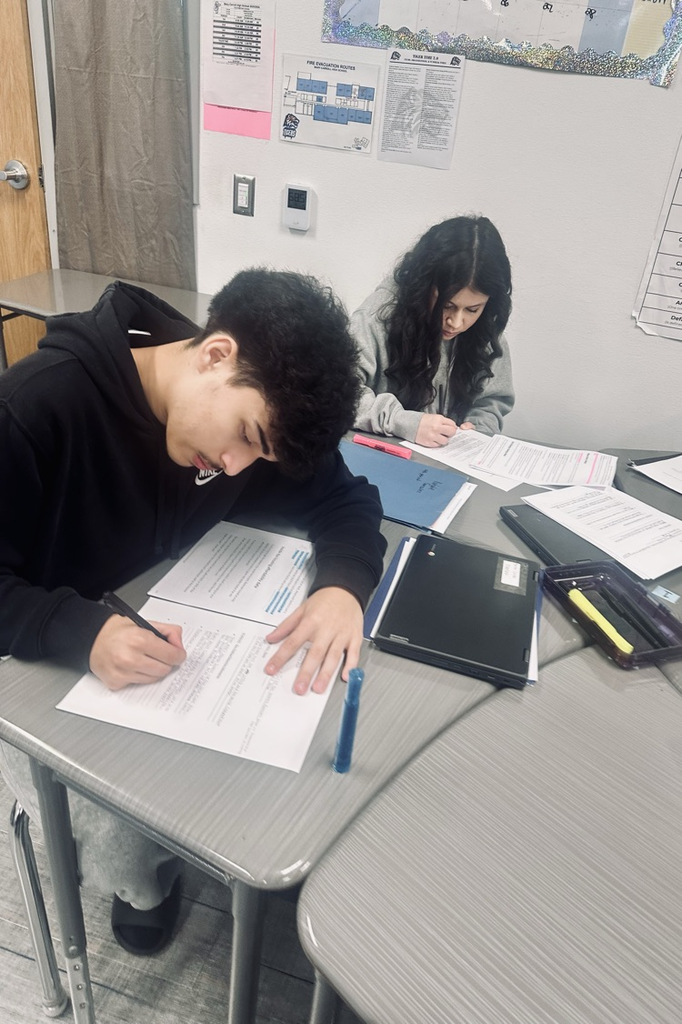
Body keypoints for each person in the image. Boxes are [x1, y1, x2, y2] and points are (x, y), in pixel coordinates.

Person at [0, 268, 386, 955]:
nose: (235, 467)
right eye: (245, 436)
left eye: (258, 452)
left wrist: (342, 586)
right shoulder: (33, 409)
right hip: (46, 659)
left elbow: (346, 499)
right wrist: (78, 631)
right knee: (124, 839)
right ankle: (143, 885)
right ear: (215, 355)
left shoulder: (254, 414)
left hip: (173, 632)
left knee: (294, 750)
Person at [352, 215, 514, 446]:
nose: (456, 322)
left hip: (447, 459)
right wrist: (402, 422)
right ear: (424, 287)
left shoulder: (486, 325)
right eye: (447, 305)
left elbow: (491, 401)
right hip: (381, 455)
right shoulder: (377, 318)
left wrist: (479, 428)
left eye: (472, 309)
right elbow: (338, 391)